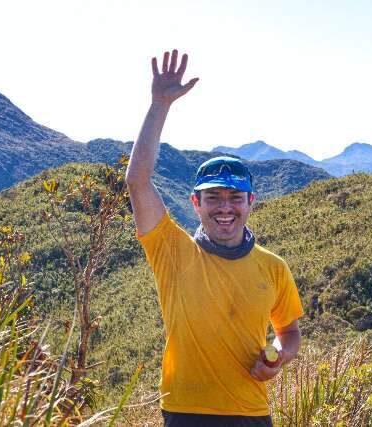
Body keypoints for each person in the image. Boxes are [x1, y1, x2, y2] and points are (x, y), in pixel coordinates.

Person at [125, 49, 303, 426]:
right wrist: (159, 105)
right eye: (214, 197)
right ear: (196, 203)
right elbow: (137, 182)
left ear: (251, 202)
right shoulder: (171, 251)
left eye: (235, 197)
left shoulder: (273, 268)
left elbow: (289, 331)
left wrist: (279, 355)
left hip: (251, 413)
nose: (225, 207)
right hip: (184, 412)